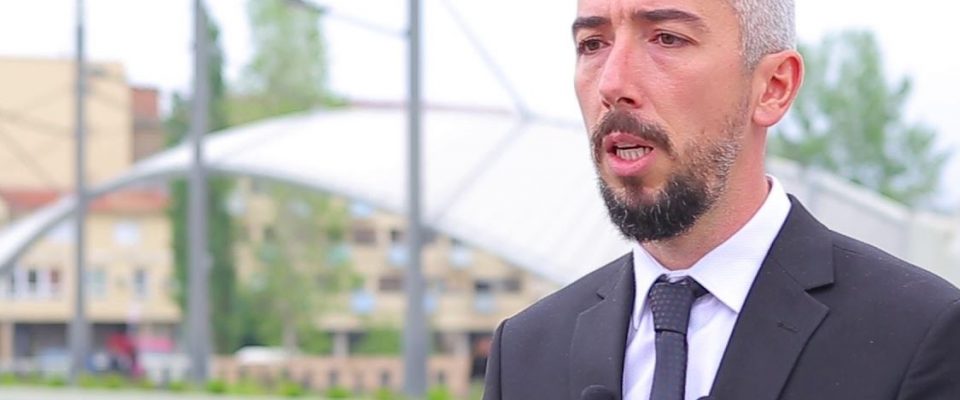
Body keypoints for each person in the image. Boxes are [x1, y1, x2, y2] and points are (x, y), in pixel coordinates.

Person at [481, 0, 960, 399]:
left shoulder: (918, 334)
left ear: (773, 87)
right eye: (593, 44)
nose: (612, 84)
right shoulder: (525, 353)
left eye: (667, 38)